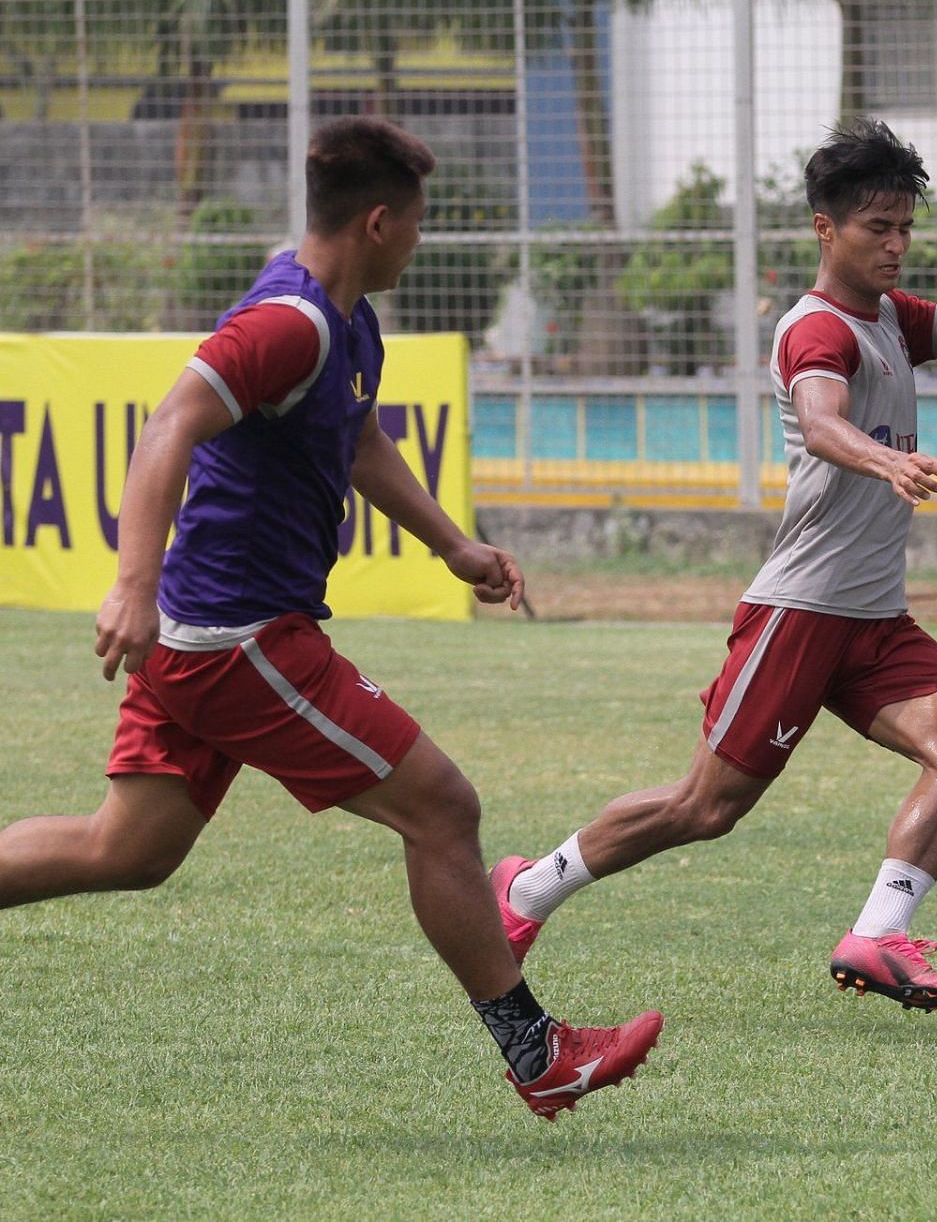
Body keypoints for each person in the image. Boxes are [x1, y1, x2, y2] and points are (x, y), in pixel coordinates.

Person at [0, 117, 661, 1120]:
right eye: (419, 225)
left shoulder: (347, 324)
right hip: (240, 639)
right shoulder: (292, 322)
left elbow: (353, 437)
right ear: (381, 222)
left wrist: (452, 543)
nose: (423, 243)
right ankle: (539, 1054)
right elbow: (169, 420)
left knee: (126, 851)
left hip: (215, 637)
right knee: (443, 807)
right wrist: (132, 582)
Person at [490, 117, 937, 1011]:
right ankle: (527, 889)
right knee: (706, 808)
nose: (897, 245)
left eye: (906, 227)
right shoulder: (814, 329)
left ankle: (877, 936)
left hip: (874, 617)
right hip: (801, 610)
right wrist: (887, 457)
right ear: (826, 228)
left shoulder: (892, 319)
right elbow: (824, 419)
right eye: (878, 227)